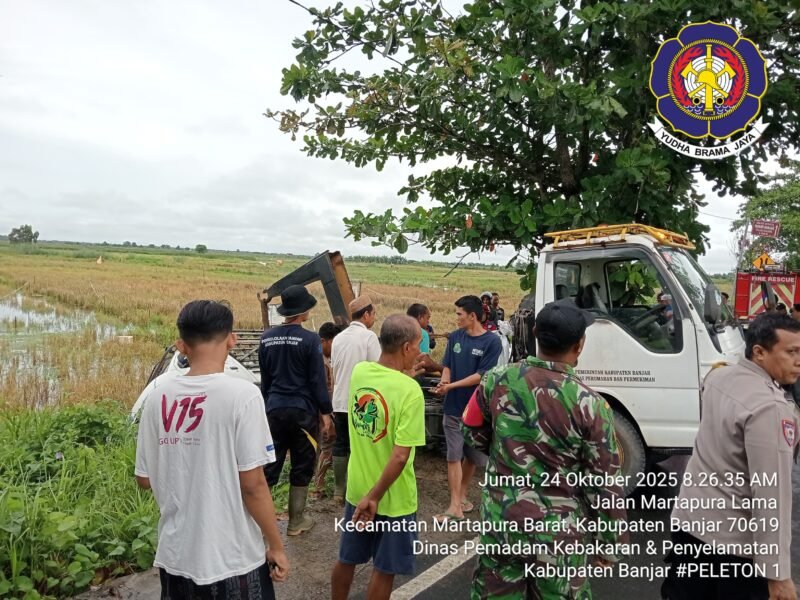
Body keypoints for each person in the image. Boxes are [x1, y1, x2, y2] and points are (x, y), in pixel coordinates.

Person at [462, 298, 627, 598]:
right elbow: (604, 482)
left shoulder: (494, 380)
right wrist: (609, 543)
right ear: (580, 345)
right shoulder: (592, 405)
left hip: (502, 528)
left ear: (536, 333)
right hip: (558, 540)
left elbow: (471, 429)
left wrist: (503, 450)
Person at [135, 300, 289, 599]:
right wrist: (276, 545)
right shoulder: (244, 396)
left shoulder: (157, 398)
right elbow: (253, 485)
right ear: (232, 339)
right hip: (234, 559)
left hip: (176, 555)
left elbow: (144, 479)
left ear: (181, 345)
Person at [662, 312, 800, 600]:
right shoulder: (769, 408)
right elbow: (771, 494)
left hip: (690, 525)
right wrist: (777, 574)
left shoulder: (718, 377)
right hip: (732, 548)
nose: (798, 360)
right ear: (759, 352)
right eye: (791, 352)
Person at [330, 315, 426, 600]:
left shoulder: (360, 372)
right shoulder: (411, 391)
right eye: (418, 345)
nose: (420, 352)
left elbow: (387, 385)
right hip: (392, 497)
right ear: (406, 347)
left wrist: (367, 494)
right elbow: (399, 457)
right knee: (384, 568)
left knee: (347, 558)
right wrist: (375, 497)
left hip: (358, 488)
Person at [258, 285, 333, 535]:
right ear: (303, 311)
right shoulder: (310, 340)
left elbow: (266, 381)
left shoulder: (266, 338)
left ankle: (257, 523)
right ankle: (296, 521)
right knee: (302, 464)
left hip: (274, 411)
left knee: (270, 465)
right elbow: (317, 381)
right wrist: (325, 413)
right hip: (303, 413)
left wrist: (267, 408)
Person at [433, 295, 502, 522]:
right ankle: (455, 506)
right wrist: (444, 381)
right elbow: (447, 365)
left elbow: (481, 376)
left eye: (459, 314)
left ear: (472, 316)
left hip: (476, 410)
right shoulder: (455, 337)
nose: (456, 318)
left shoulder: (492, 342)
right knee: (453, 456)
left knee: (472, 456)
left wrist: (450, 386)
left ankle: (461, 495)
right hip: (453, 408)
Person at [331, 295, 381, 504]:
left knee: (341, 444)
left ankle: (338, 491)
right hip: (362, 402)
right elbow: (378, 370)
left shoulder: (338, 338)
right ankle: (360, 489)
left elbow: (333, 371)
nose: (374, 318)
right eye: (374, 314)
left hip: (339, 401)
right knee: (362, 447)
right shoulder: (369, 338)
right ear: (366, 314)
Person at [311, 322, 343, 498]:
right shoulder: (320, 362)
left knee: (323, 446)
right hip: (323, 410)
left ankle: (316, 481)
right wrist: (327, 415)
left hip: (323, 408)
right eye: (333, 342)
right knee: (327, 445)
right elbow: (322, 389)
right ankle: (318, 486)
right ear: (323, 341)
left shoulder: (327, 359)